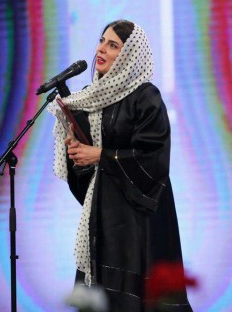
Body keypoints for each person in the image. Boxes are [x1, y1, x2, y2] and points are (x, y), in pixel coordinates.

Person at [49, 20, 192, 311]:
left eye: (112, 45)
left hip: (139, 217)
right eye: (102, 41)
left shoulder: (146, 96)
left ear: (129, 55)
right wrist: (77, 154)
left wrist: (99, 155)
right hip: (103, 214)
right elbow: (86, 173)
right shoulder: (91, 97)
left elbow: (153, 158)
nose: (101, 49)